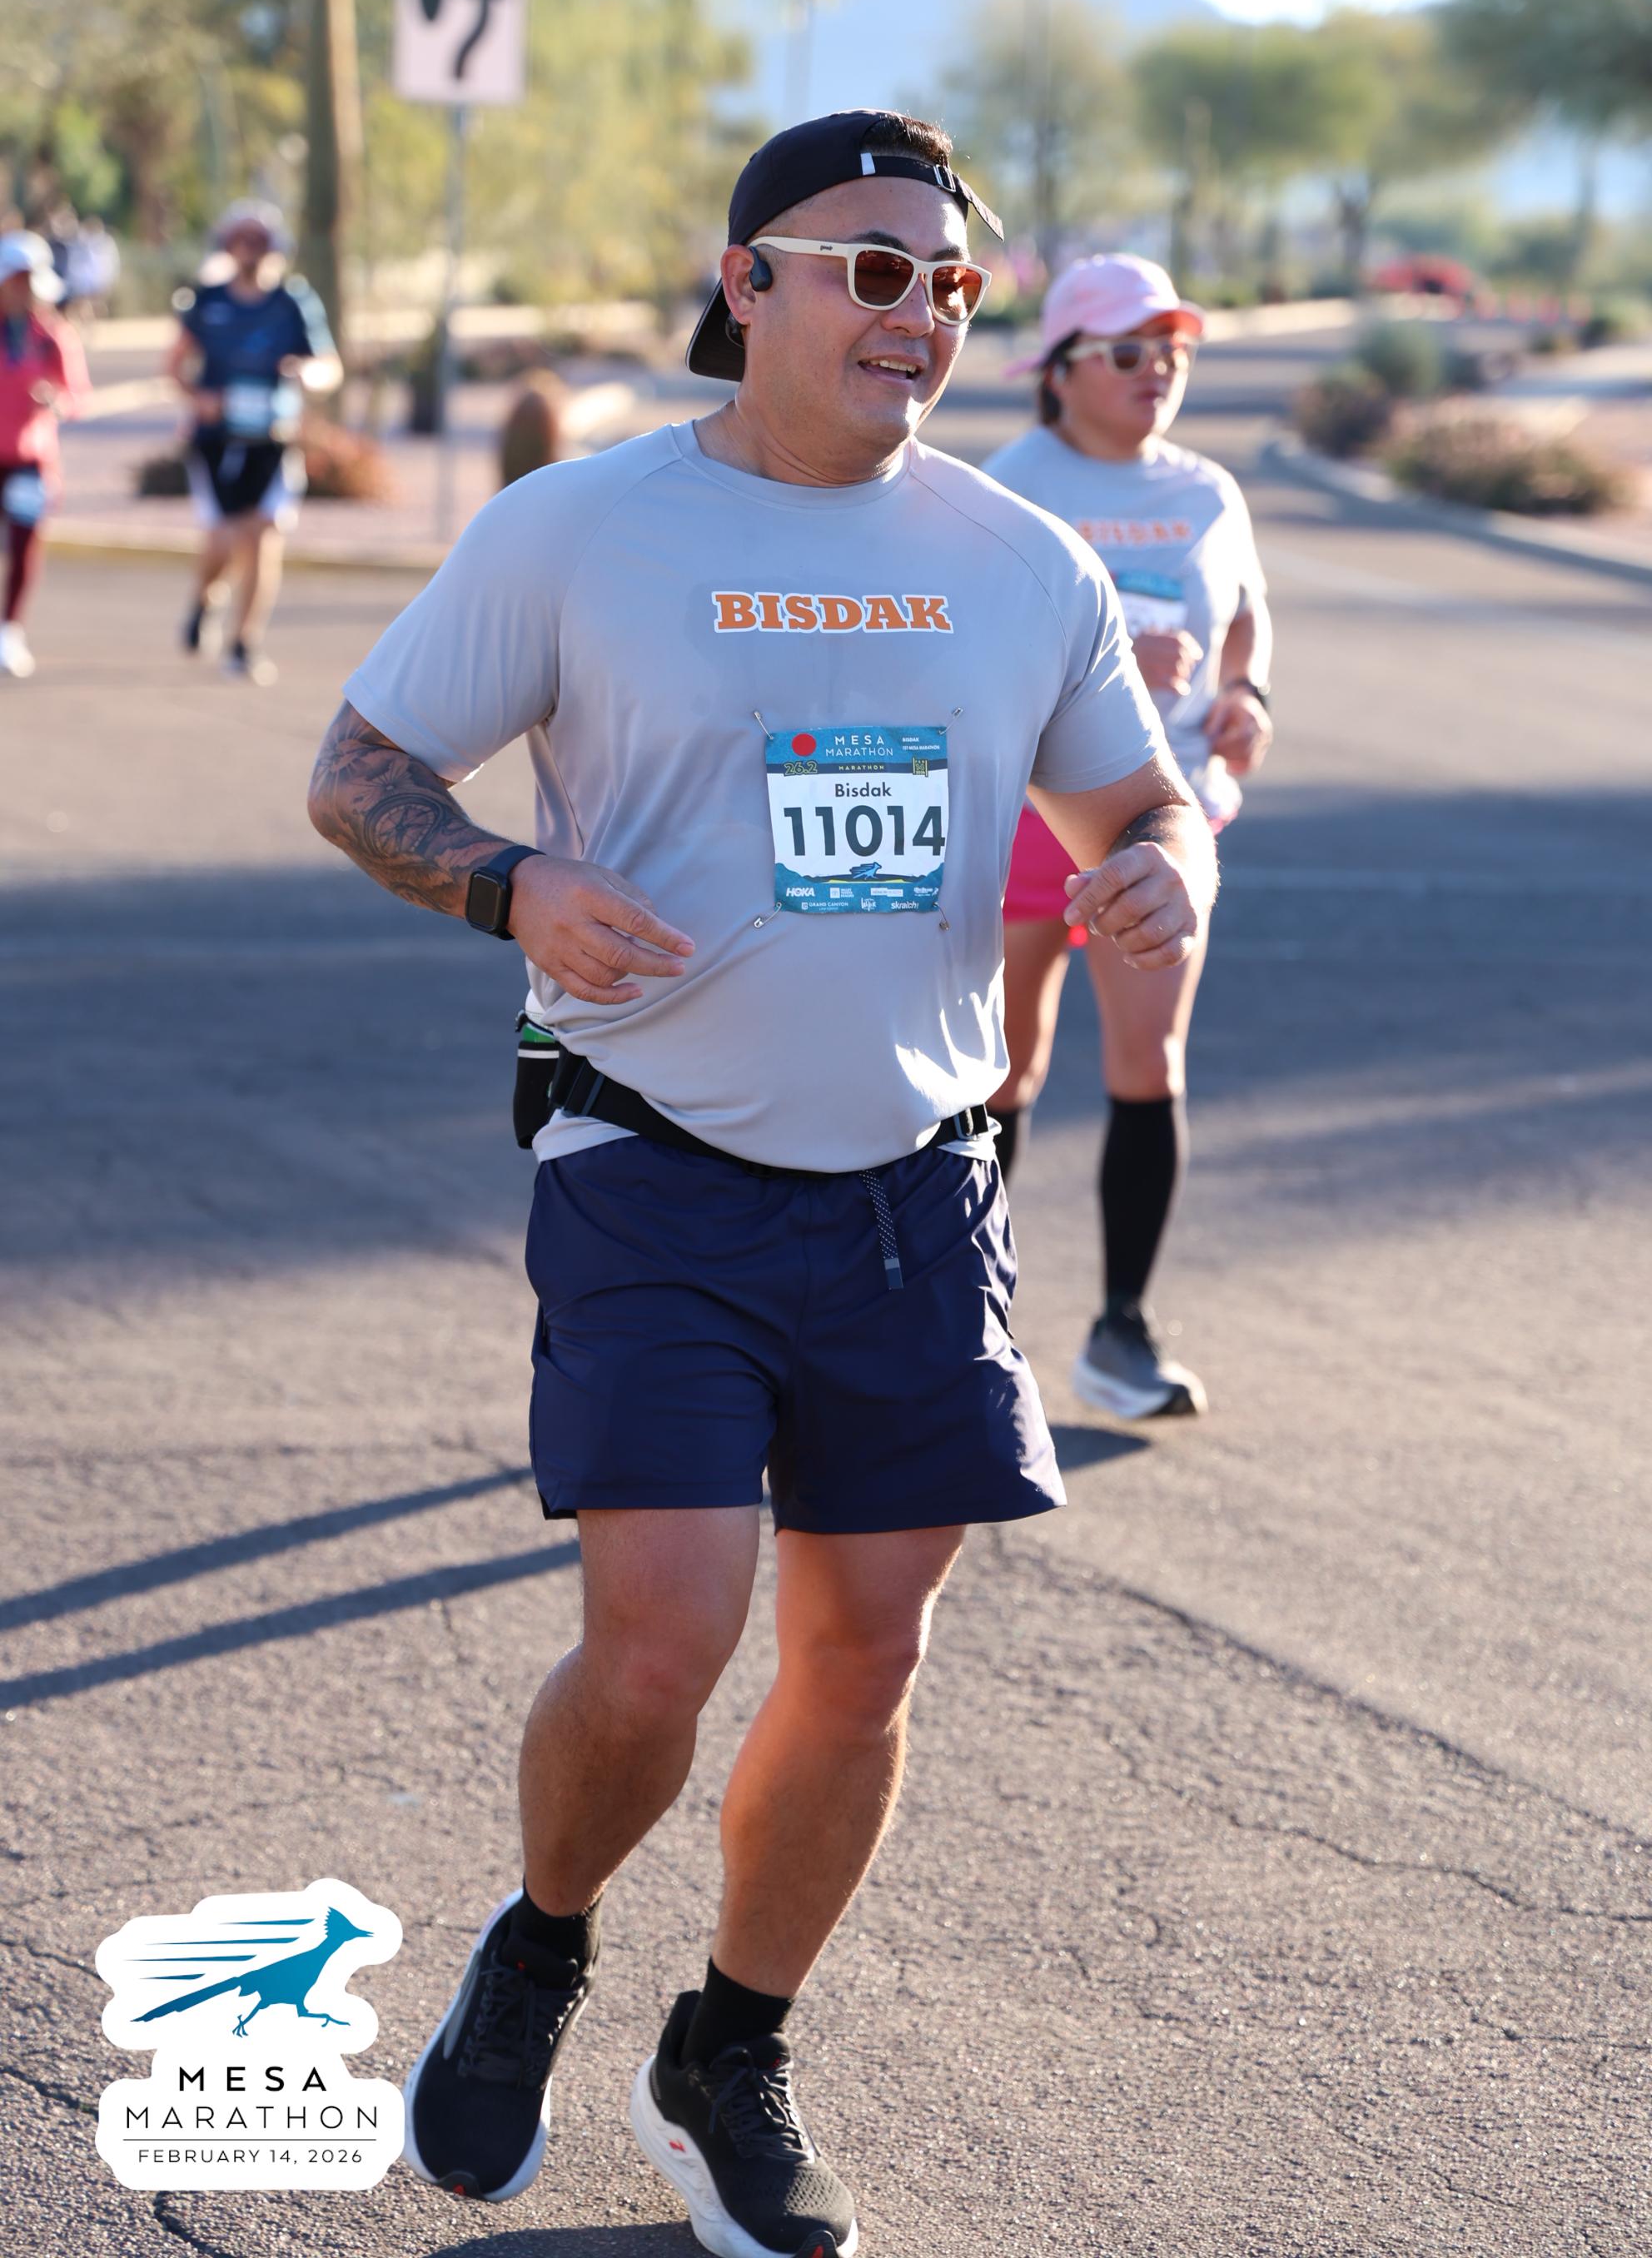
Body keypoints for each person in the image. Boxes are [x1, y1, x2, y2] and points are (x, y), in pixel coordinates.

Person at [306, 111, 1216, 2258]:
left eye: (950, 284)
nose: (920, 314)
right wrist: (509, 884)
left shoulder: (1021, 559)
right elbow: (358, 772)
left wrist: (1162, 870)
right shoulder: (578, 528)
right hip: (654, 1159)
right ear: (752, 284)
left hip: (915, 1187)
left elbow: (1136, 805)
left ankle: (728, 2050)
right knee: (660, 1645)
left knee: (865, 1657)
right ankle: (540, 1942)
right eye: (873, 269)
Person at [983, 253, 1274, 1421]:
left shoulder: (1207, 491)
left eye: (1173, 352)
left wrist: (1246, 698)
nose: (1157, 372)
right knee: (1001, 1069)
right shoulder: (1007, 485)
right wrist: (1100, 659)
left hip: (1164, 814)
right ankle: (964, 1328)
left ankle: (1121, 1332)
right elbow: (963, 654)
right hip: (1027, 811)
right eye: (1127, 352)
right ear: (1059, 370)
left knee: (1149, 1065)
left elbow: (1245, 620)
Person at [170, 200, 340, 684]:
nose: (250, 248)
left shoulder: (293, 301)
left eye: (260, 240)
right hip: (217, 441)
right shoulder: (206, 301)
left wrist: (307, 374)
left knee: (264, 535)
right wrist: (199, 399)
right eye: (241, 239)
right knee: (223, 540)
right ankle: (206, 598)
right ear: (228, 245)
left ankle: (245, 642)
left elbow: (329, 366)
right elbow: (175, 365)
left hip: (272, 440)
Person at [0, 231, 89, 680]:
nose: (23, 292)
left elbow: (77, 397)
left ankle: (9, 631)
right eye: (16, 282)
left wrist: (56, 401)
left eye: (29, 283)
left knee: (24, 545)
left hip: (30, 459)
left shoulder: (53, 336)